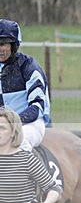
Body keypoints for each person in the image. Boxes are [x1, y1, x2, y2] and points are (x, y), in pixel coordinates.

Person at [0, 19, 51, 152]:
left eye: (3, 44)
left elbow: (37, 106)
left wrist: (13, 124)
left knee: (18, 143)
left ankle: (32, 173)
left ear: (14, 45)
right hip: (3, 126)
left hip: (30, 124)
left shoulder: (29, 67)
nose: (0, 49)